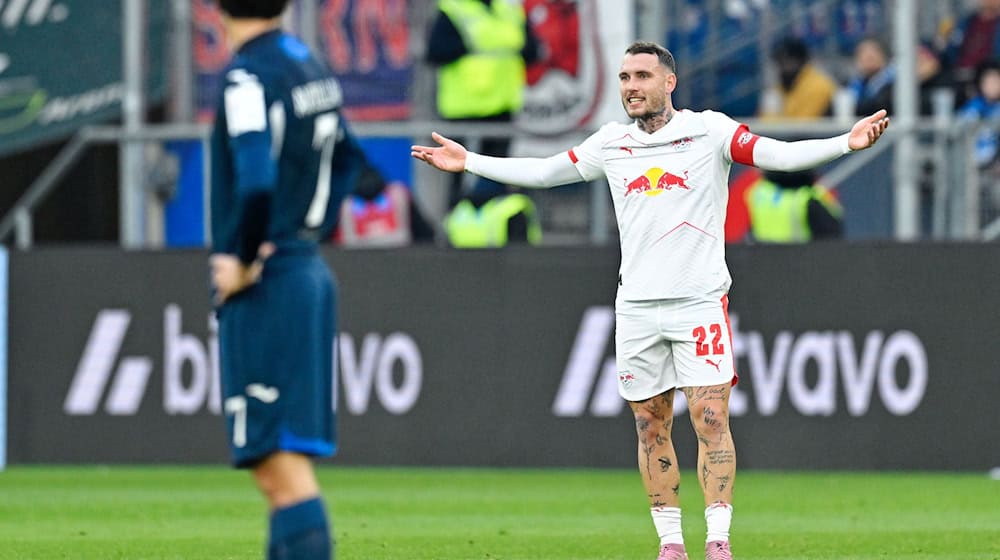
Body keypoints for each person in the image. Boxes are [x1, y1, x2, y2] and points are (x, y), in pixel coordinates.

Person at [412, 41, 888, 560]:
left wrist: (845, 141)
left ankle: (718, 540)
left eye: (641, 75)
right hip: (636, 308)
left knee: (710, 418)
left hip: (699, 302)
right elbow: (547, 171)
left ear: (669, 83)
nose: (631, 86)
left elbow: (776, 153)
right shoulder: (611, 143)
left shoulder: (710, 132)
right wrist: (470, 162)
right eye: (623, 78)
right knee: (649, 424)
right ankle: (670, 545)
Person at [208, 1, 363, 558]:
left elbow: (253, 179)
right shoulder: (309, 65)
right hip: (305, 268)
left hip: (271, 282)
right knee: (278, 469)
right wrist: (309, 225)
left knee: (280, 469)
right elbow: (350, 162)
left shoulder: (248, 75)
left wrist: (245, 256)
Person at [425, 0, 540, 206]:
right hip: (465, 110)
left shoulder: (509, 10)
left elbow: (532, 50)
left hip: (502, 109)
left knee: (496, 176)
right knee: (460, 176)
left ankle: (491, 230)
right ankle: (458, 230)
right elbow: (435, 51)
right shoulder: (454, 9)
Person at [745, 168, 843, 242]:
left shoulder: (758, 192)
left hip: (762, 261)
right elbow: (830, 242)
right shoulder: (810, 198)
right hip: (800, 262)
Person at [760, 36, 838, 119]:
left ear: (800, 60)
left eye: (787, 61)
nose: (782, 66)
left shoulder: (819, 86)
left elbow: (802, 125)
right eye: (779, 61)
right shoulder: (782, 86)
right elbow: (764, 122)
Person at [848, 36, 895, 118]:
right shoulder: (854, 85)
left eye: (873, 53)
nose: (868, 56)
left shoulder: (893, 84)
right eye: (863, 53)